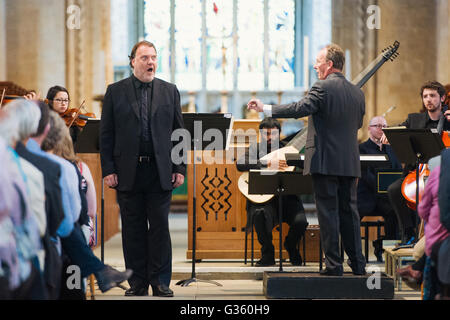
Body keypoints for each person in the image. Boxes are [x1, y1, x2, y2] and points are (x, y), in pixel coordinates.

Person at [248, 43, 366, 276]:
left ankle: (334, 266)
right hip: (349, 163)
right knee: (349, 213)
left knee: (328, 213)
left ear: (329, 64)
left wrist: (266, 108)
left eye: (318, 61)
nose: (315, 65)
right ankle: (358, 264)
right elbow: (358, 125)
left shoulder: (322, 87)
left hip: (325, 162)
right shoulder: (357, 93)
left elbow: (299, 108)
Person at [100, 40, 186, 297]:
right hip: (128, 172)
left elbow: (178, 132)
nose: (151, 62)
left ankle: (160, 282)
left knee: (160, 228)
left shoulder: (169, 91)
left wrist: (179, 166)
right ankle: (137, 283)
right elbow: (107, 134)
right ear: (133, 61)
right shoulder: (115, 91)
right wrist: (108, 169)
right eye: (145, 58)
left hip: (160, 171)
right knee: (133, 229)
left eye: (154, 58)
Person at [381, 81, 449, 244]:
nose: (428, 100)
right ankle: (408, 232)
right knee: (394, 190)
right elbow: (399, 130)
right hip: (417, 172)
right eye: (425, 96)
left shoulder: (448, 119)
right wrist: (388, 136)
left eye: (432, 96)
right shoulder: (414, 119)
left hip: (443, 174)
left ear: (442, 98)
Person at [236, 117, 308, 266]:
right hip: (263, 200)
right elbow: (240, 164)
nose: (269, 137)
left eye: (273, 134)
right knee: (259, 215)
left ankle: (291, 245)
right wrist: (267, 162)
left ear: (279, 133)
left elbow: (301, 168)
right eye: (266, 134)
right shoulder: (255, 149)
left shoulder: (288, 149)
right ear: (260, 134)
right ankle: (268, 253)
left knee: (301, 222)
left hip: (287, 198)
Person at [357, 116, 402, 261]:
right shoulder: (361, 148)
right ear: (369, 128)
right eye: (377, 125)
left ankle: (383, 246)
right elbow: (365, 175)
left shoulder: (393, 148)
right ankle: (356, 254)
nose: (381, 128)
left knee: (396, 214)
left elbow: (397, 172)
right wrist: (382, 187)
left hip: (386, 198)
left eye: (384, 126)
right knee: (351, 216)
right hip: (366, 197)